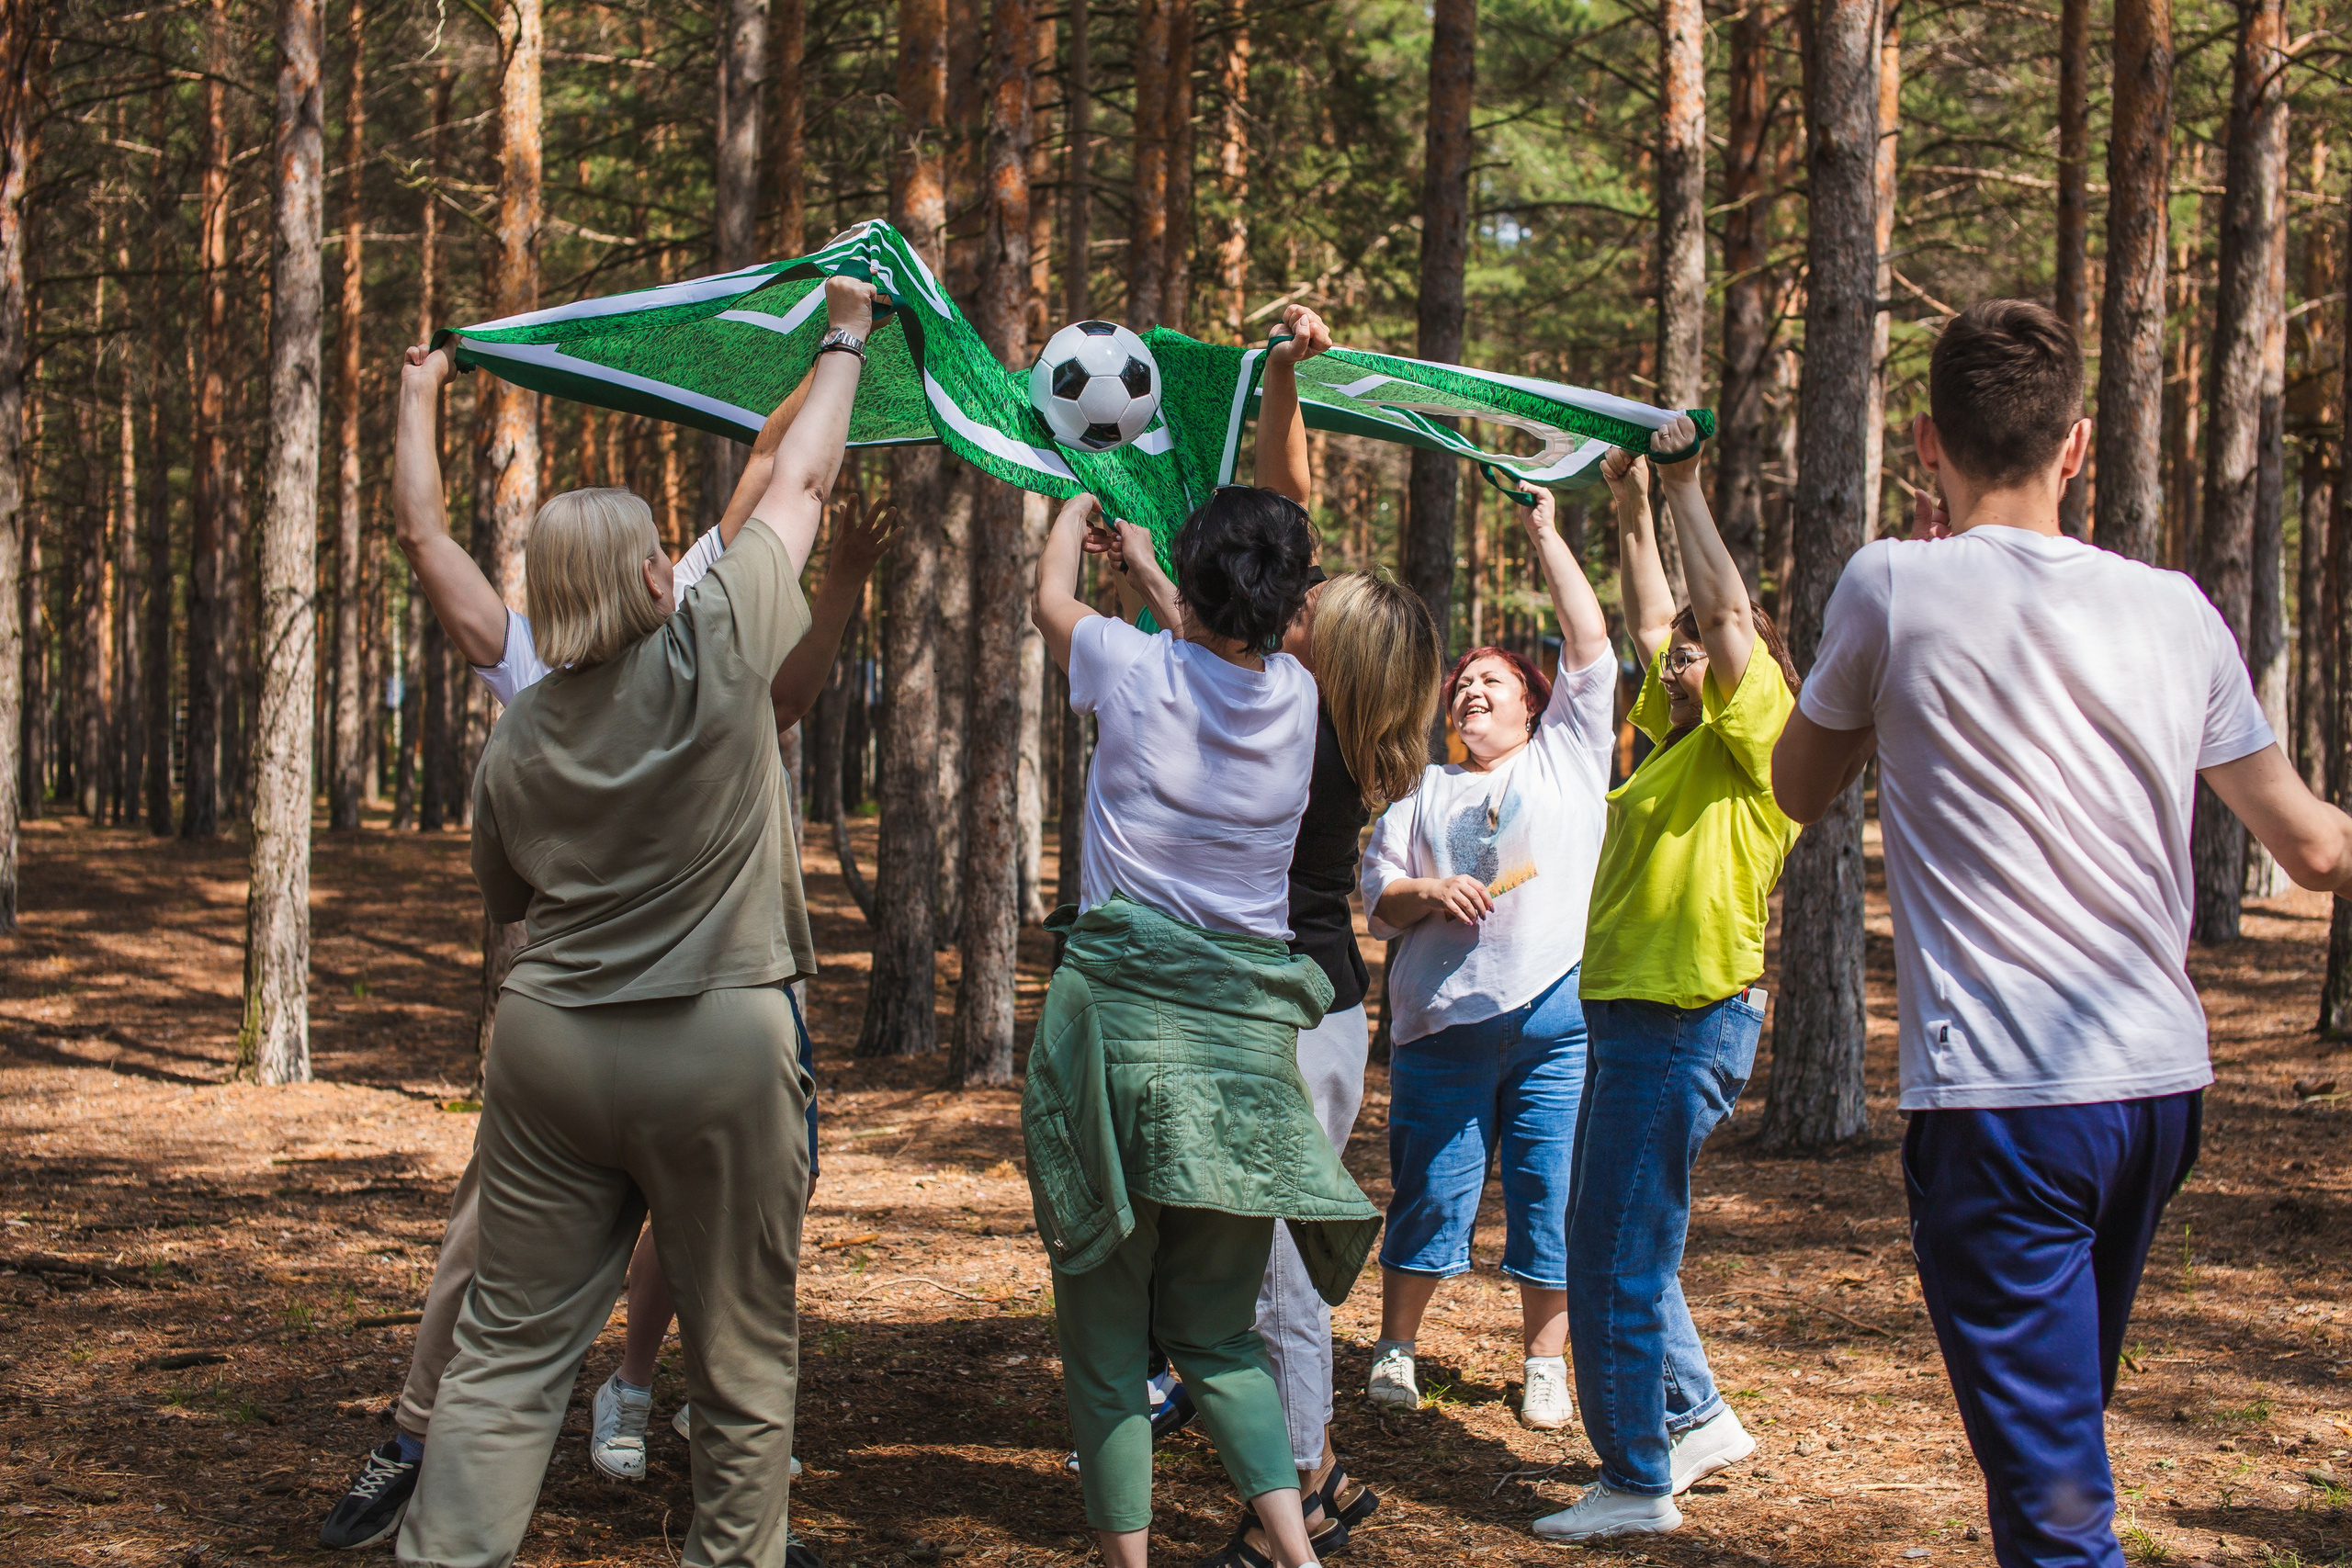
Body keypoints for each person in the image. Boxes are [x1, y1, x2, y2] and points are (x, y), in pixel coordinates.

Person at [1771, 299, 2352, 1568]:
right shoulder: (2177, 607)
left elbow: (1796, 787)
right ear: (2076, 445)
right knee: (2059, 1445)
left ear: (1926, 442)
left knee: (2055, 1509)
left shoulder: (1890, 582)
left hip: (2007, 1106)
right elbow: (2315, 847)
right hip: (2158, 1095)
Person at [319, 348, 879, 1551]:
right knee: (741, 1364)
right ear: (650, 573)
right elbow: (801, 482)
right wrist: (844, 338)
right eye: (663, 550)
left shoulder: (518, 730)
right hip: (718, 1045)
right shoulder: (721, 644)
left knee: (506, 1351)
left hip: (551, 1050)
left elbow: (505, 895)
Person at [1092, 306, 1444, 1562]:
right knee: (1253, 1252)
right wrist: (1285, 379)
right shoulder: (1314, 710)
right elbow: (1275, 539)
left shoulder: (1296, 718)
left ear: (1323, 650)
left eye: (1308, 603)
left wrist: (1153, 576)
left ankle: (1304, 1477)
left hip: (1292, 1024)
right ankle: (1300, 1465)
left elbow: (1264, 552)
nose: (1291, 598)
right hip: (1314, 1011)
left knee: (1278, 1263)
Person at [1026, 472, 1382, 1568]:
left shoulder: (1129, 667)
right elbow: (1213, 643)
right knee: (1218, 1334)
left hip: (1123, 1038)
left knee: (1104, 1343)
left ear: (1192, 577)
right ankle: (1299, 1554)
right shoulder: (1299, 699)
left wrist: (1070, 510)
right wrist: (1147, 566)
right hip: (1246, 1051)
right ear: (1292, 604)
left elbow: (1050, 602)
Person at [1533, 417, 1798, 1541]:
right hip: (1635, 1017)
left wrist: (1685, 487)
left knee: (1608, 1252)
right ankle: (1693, 1417)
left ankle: (1636, 1480)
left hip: (1680, 1016)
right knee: (1620, 1233)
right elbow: (1656, 624)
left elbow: (1719, 619)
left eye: (1695, 654)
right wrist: (1629, 505)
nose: (1675, 657)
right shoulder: (1681, 743)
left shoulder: (1759, 735)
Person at [1355, 482, 1615, 1432]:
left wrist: (1544, 531)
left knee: (1550, 1195)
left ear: (1534, 705)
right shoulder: (1420, 790)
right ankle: (1395, 1348)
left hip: (1556, 1022)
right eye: (1461, 684)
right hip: (1441, 1027)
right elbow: (1379, 900)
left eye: (1491, 681)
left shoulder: (1567, 756)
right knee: (1430, 1192)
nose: (1470, 691)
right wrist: (1430, 892)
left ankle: (1544, 1364)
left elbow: (1590, 640)